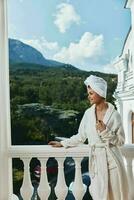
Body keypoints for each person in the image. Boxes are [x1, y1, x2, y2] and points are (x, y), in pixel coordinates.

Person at [49, 75, 129, 200]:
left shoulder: (114, 115)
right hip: (97, 162)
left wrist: (105, 131)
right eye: (88, 93)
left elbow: (121, 141)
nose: (89, 96)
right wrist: (63, 143)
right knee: (98, 195)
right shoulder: (88, 114)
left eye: (91, 93)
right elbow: (81, 136)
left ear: (100, 92)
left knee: (115, 196)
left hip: (112, 162)